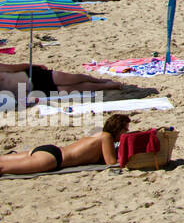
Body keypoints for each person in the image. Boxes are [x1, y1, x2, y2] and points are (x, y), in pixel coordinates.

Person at [0, 113, 131, 175]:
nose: (127, 132)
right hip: (53, 159)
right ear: (118, 129)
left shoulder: (97, 133)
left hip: (49, 150)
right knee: (4, 169)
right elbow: (111, 162)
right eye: (125, 129)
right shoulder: (106, 137)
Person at [0, 62, 123, 99]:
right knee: (71, 88)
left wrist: (34, 65)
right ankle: (107, 86)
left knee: (72, 78)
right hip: (33, 90)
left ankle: (100, 81)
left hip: (33, 76)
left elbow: (15, 67)